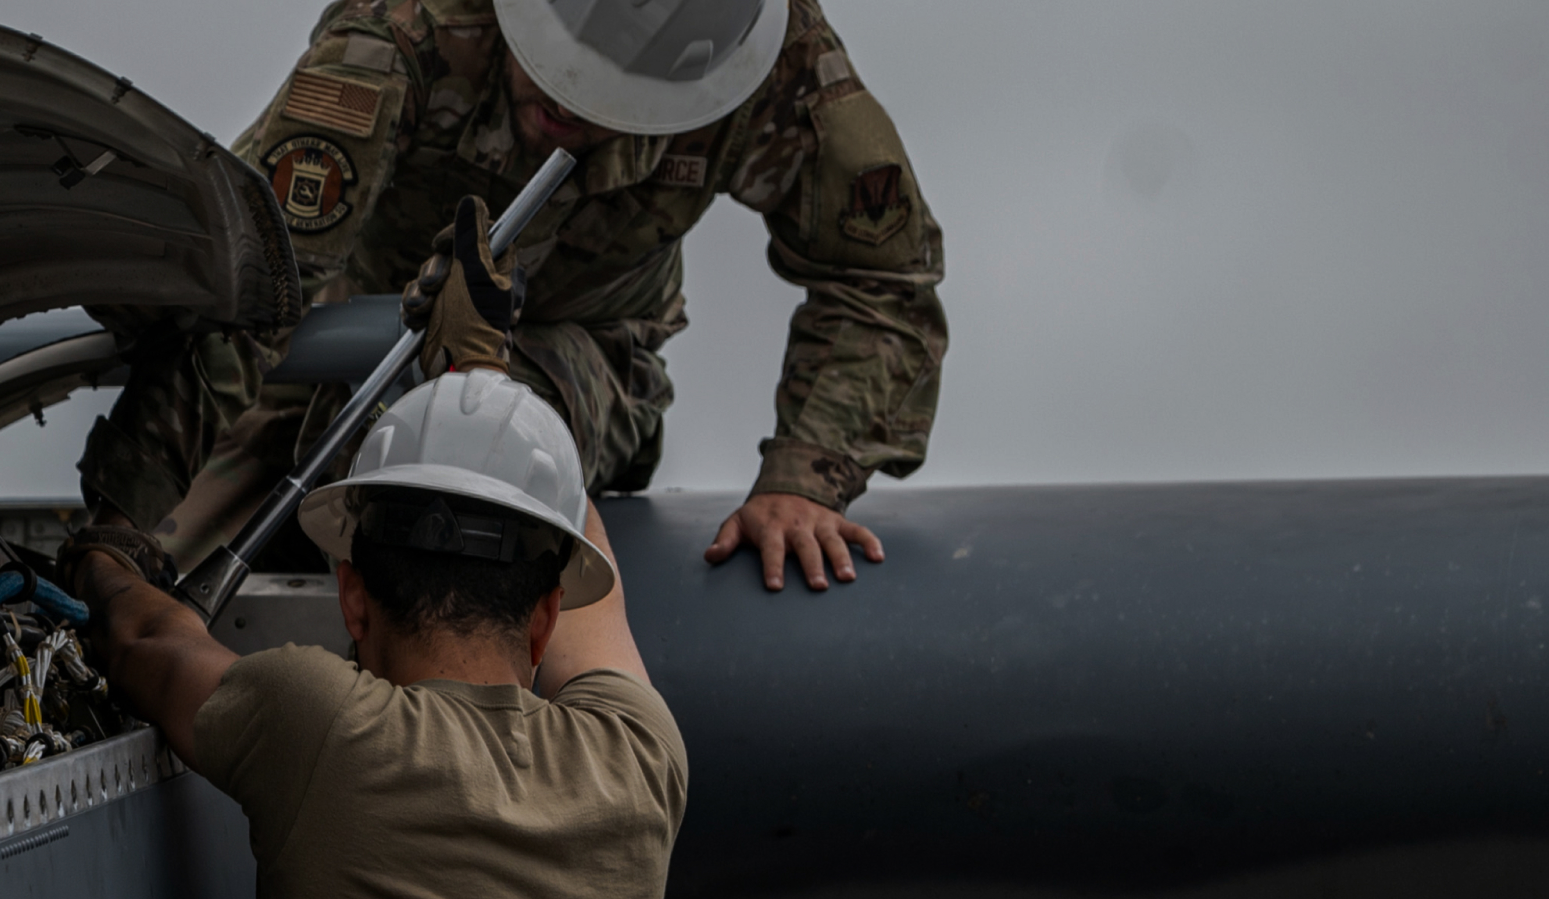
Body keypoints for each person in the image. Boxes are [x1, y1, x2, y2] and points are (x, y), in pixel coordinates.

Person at [78, 0, 945, 592]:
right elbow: (251, 281)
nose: (574, 103)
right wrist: (124, 517)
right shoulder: (407, 30)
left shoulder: (776, 60)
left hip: (580, 347)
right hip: (334, 330)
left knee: (448, 456)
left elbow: (882, 278)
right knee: (156, 560)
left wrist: (804, 480)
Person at [62, 360, 685, 899]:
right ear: (545, 618)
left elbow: (143, 640)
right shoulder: (637, 754)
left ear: (353, 599)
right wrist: (498, 396)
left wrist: (99, 557)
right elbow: (580, 543)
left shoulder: (317, 723)